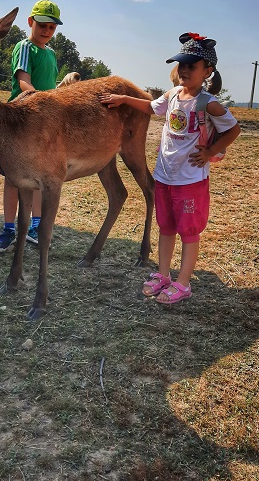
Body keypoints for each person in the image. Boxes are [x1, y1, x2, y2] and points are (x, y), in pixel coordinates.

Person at [99, 32, 240, 304]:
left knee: (189, 232)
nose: (184, 70)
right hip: (164, 176)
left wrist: (210, 152)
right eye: (181, 64)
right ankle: (163, 274)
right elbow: (151, 108)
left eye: (192, 65)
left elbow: (233, 129)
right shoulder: (173, 94)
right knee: (165, 227)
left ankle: (183, 283)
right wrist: (124, 99)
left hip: (190, 180)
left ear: (207, 71)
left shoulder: (207, 103)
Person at [0, 0, 63, 253]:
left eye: (52, 27)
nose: (47, 31)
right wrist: (40, 99)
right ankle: (8, 228)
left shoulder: (51, 54)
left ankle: (35, 225)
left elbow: (51, 86)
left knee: (40, 177)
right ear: (31, 22)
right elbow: (24, 81)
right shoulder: (25, 47)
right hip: (20, 119)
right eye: (42, 25)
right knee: (13, 178)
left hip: (43, 122)